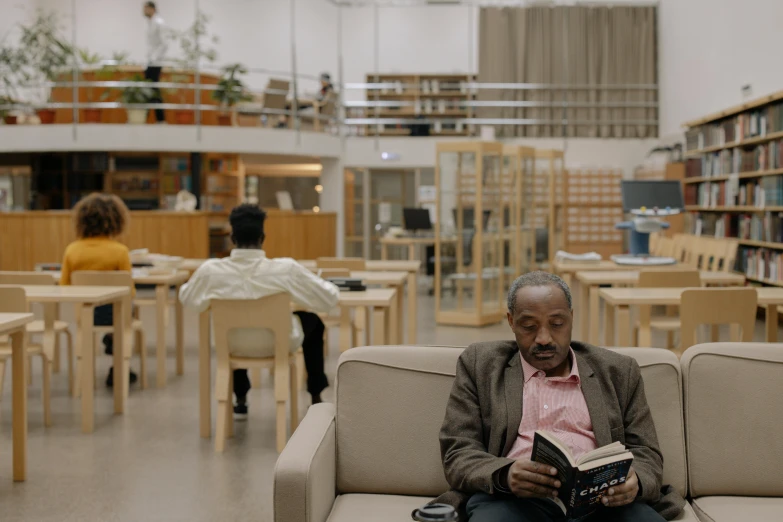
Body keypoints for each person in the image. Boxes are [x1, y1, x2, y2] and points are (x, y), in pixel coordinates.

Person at [436, 271, 685, 522]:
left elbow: (647, 452)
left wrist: (636, 481)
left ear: (571, 318)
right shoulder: (481, 365)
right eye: (529, 326)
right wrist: (505, 474)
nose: (543, 338)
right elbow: (458, 450)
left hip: (604, 503)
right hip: (514, 501)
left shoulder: (618, 371)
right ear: (511, 321)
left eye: (556, 324)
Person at [179, 204, 338, 416]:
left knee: (236, 323)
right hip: (278, 342)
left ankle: (241, 396)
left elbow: (188, 299)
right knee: (313, 321)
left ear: (232, 238)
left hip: (232, 344)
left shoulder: (211, 271)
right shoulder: (286, 269)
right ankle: (315, 395)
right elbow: (329, 299)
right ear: (263, 237)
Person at [60, 193, 137, 387]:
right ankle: (117, 359)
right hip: (115, 314)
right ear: (117, 221)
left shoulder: (72, 250)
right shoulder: (120, 251)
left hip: (86, 314)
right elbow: (130, 291)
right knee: (127, 313)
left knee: (105, 314)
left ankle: (110, 341)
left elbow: (64, 288)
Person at [143, 1, 167, 123]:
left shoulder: (159, 23)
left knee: (153, 90)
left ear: (152, 9)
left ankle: (160, 119)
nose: (144, 11)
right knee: (150, 90)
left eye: (145, 8)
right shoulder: (150, 23)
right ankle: (155, 118)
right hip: (150, 62)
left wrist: (154, 59)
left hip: (155, 63)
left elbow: (164, 44)